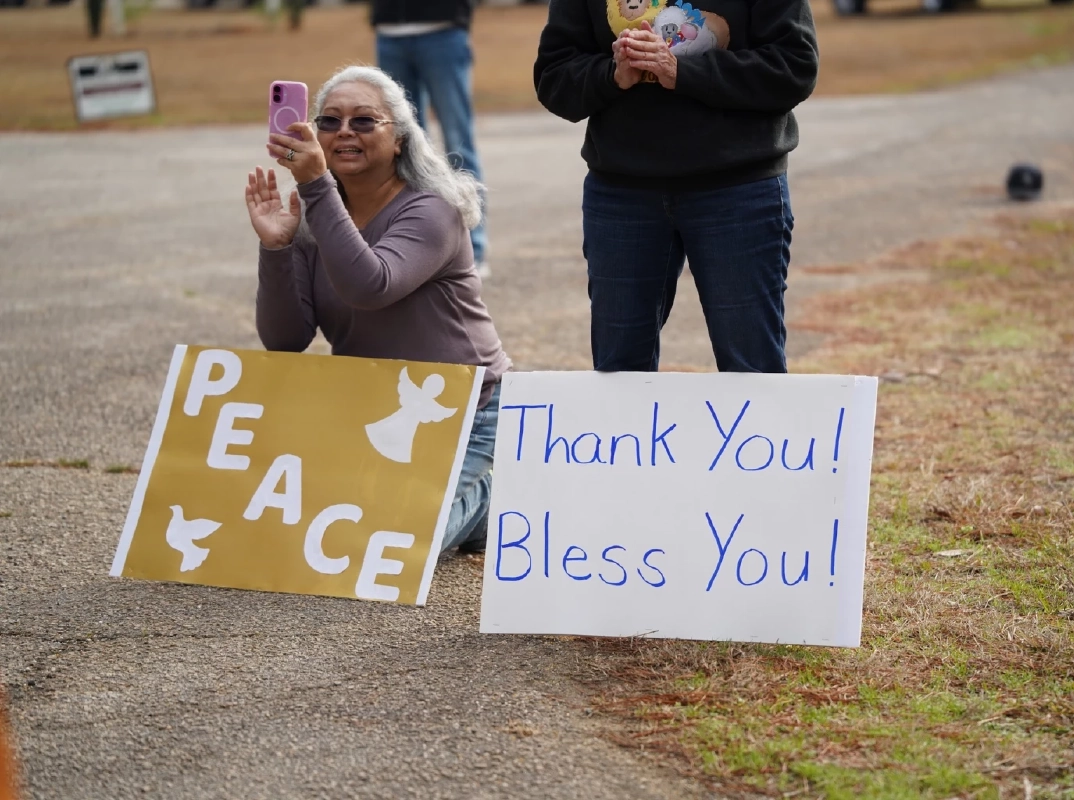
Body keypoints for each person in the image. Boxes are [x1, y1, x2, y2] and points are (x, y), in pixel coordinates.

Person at [246, 65, 510, 555]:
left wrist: (316, 188)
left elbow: (371, 285)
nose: (344, 132)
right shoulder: (315, 215)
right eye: (329, 122)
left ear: (400, 141)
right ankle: (470, 509)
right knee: (325, 531)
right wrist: (279, 248)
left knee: (395, 545)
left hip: (467, 412)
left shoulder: (432, 210)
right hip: (373, 412)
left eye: (364, 121)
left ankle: (506, 496)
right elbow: (286, 339)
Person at [533, 0, 819, 373]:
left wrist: (683, 72)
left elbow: (793, 67)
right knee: (618, 374)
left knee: (752, 371)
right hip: (623, 192)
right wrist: (613, 75)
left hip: (738, 188)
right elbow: (554, 77)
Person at [371, 0, 491, 279]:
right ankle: (411, 244)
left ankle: (474, 248)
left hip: (444, 28)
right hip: (389, 32)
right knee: (399, 146)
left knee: (458, 141)